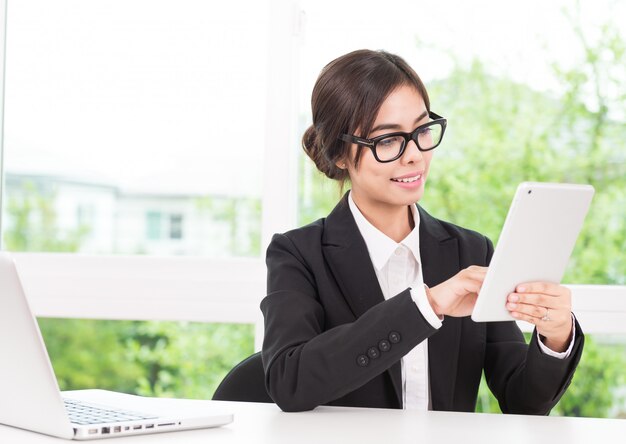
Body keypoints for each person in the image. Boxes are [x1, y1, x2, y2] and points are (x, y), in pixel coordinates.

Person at [260, 49, 583, 413]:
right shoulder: (298, 254)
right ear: (339, 153)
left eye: (422, 130)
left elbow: (522, 401)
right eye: (387, 140)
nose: (414, 154)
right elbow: (290, 382)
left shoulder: (471, 250)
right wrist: (427, 305)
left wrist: (555, 336)